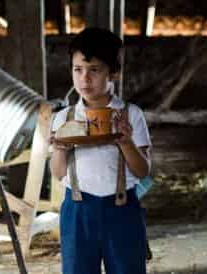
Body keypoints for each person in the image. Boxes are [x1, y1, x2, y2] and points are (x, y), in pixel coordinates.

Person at [49, 27, 152, 274]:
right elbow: (58, 172)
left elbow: (142, 171)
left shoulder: (130, 115)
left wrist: (126, 142)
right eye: (78, 70)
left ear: (114, 73)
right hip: (77, 208)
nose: (84, 79)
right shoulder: (64, 117)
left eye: (94, 70)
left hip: (122, 208)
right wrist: (60, 148)